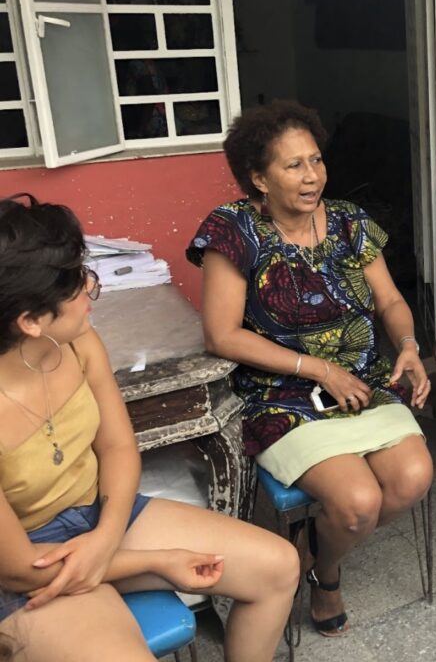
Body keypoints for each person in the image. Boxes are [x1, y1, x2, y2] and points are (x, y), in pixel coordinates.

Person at [0, 194, 298, 662]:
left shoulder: (75, 342)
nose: (91, 287)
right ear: (30, 321)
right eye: (77, 284)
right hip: (26, 570)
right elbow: (20, 570)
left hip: (97, 520)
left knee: (277, 566)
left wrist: (104, 535)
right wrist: (159, 562)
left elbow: (118, 447)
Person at [187, 101, 433, 637]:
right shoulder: (235, 231)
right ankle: (329, 578)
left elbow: (390, 300)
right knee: (357, 503)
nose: (312, 176)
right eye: (293, 165)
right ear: (258, 177)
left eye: (316, 160)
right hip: (280, 392)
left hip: (361, 382)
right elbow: (221, 334)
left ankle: (311, 554)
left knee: (413, 478)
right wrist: (319, 369)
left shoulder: (350, 222)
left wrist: (409, 345)